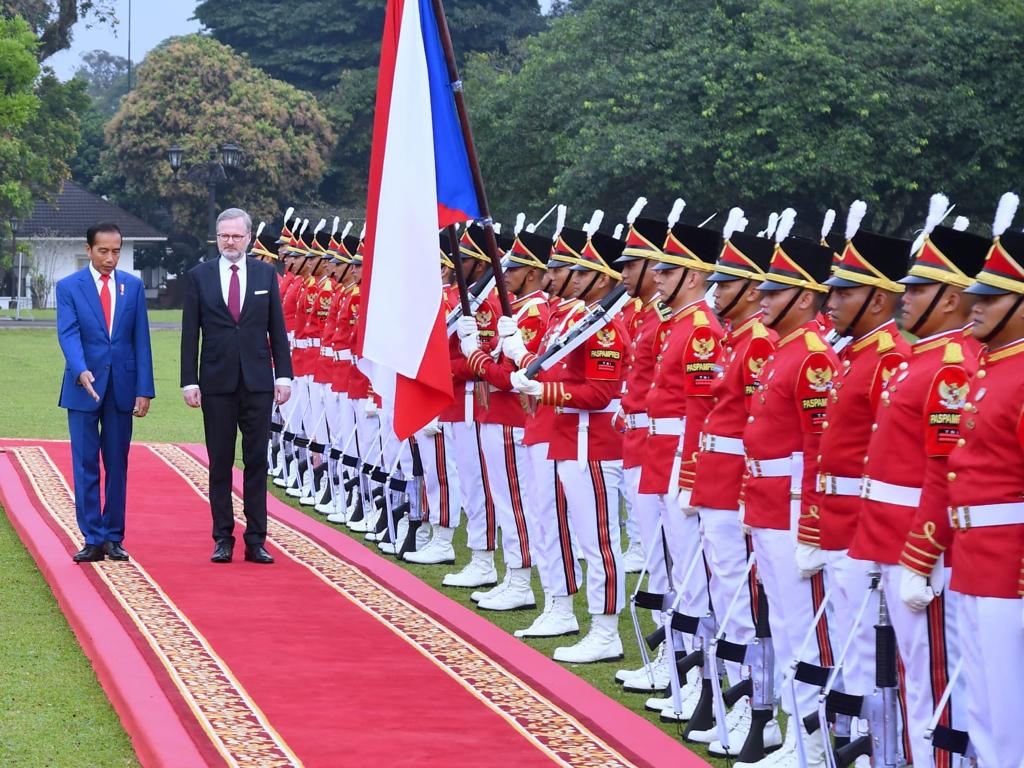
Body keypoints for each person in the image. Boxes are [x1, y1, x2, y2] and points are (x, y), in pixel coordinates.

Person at [180, 208, 293, 564]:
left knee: (257, 460)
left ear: (249, 239)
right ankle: (223, 537)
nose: (230, 242)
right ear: (217, 238)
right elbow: (189, 335)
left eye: (236, 236)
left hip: (258, 382)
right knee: (220, 463)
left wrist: (284, 376)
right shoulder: (199, 277)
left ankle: (256, 538)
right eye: (224, 236)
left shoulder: (265, 274)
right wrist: (189, 381)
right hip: (216, 382)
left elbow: (277, 329)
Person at [56, 222, 154, 563]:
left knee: (117, 463)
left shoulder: (133, 286)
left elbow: (141, 339)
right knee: (85, 464)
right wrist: (80, 369)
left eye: (116, 251)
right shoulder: (68, 287)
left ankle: (114, 537)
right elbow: (68, 333)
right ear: (89, 250)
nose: (110, 258)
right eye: (103, 251)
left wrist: (145, 389)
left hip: (122, 388)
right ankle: (92, 537)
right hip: (82, 387)